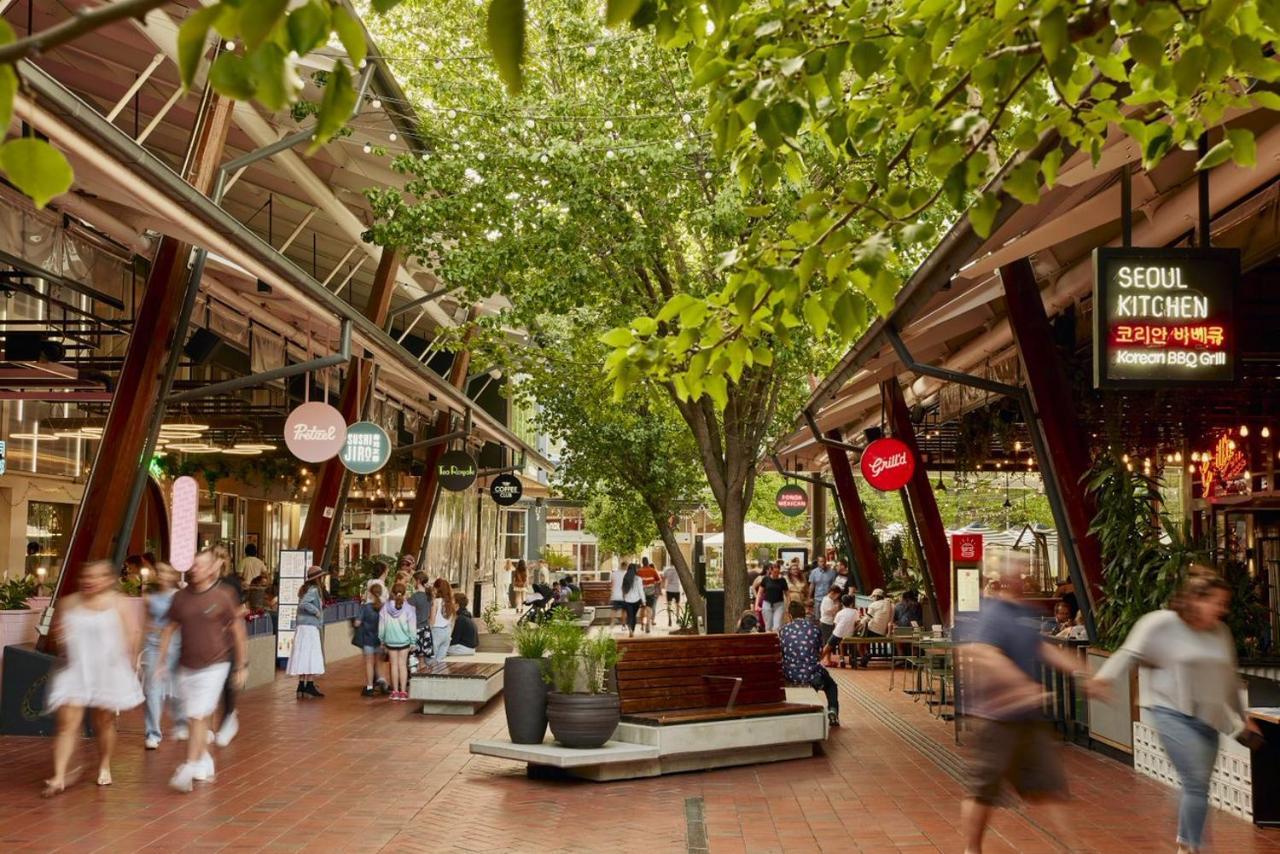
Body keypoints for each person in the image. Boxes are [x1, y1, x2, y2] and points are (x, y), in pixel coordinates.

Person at [1090, 567, 1258, 854]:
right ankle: (1196, 848)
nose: (1221, 610)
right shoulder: (1160, 623)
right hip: (1170, 711)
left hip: (1210, 718)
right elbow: (1129, 652)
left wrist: (1244, 718)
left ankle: (1184, 842)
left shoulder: (1220, 632)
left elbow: (1227, 678)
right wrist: (1103, 678)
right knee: (1194, 781)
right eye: (1215, 602)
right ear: (1194, 599)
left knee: (1199, 786)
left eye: (1223, 604)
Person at [959, 556, 1090, 853]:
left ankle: (1075, 848)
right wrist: (1023, 686)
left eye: (1025, 573)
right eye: (1019, 573)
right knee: (983, 791)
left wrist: (1081, 673)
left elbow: (1041, 647)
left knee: (1049, 788)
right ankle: (971, 849)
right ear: (1005, 579)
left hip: (1028, 717)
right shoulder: (992, 613)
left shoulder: (1023, 612)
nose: (1024, 577)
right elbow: (985, 654)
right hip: (995, 716)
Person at [42, 559, 143, 796]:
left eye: (96, 576)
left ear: (108, 580)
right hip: (77, 670)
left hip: (107, 670)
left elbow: (133, 632)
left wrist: (129, 659)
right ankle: (58, 776)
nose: (90, 581)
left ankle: (104, 763)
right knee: (67, 725)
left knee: (103, 721)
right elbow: (60, 640)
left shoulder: (119, 603)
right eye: (86, 576)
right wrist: (60, 638)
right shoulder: (68, 603)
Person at [159, 548, 247, 793]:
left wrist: (241, 665)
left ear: (211, 568)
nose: (194, 568)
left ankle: (189, 765)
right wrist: (161, 660)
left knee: (198, 715)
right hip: (187, 665)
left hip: (216, 664)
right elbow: (169, 628)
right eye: (192, 564)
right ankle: (204, 760)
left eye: (200, 565)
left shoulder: (223, 595)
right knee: (194, 715)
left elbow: (237, 630)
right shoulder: (180, 598)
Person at [142, 562, 183, 749]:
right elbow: (147, 621)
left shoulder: (179, 596)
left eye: (166, 572)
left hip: (175, 645)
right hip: (153, 646)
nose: (163, 575)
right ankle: (153, 733)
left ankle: (182, 723)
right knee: (153, 689)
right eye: (160, 572)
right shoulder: (150, 597)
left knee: (178, 686)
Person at [779, 601, 840, 727]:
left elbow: (782, 654)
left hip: (790, 674)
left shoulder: (783, 630)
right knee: (831, 685)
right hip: (811, 675)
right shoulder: (815, 628)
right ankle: (833, 711)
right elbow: (819, 652)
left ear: (790, 615)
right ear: (804, 613)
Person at [212, 544, 245, 746]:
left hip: (228, 639)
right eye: (215, 556)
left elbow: (241, 609)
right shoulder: (203, 583)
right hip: (208, 639)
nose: (219, 560)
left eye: (222, 557)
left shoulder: (231, 583)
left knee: (227, 683)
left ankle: (229, 715)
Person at [287, 566, 327, 700]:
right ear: (317, 578)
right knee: (311, 654)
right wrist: (316, 611)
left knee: (302, 655)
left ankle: (301, 686)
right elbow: (304, 604)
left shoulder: (305, 589)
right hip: (310, 626)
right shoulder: (314, 590)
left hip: (302, 627)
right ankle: (309, 685)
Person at [379, 582, 416, 700]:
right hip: (404, 641)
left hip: (390, 641)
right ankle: (403, 692)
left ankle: (395, 692)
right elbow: (412, 627)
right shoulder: (409, 608)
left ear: (392, 593)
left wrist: (382, 639)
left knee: (393, 665)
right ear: (405, 594)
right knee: (402, 666)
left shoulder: (385, 607)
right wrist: (413, 641)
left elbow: (381, 626)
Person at [354, 582, 383, 696]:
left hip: (368, 639)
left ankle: (370, 687)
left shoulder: (365, 608)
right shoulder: (383, 607)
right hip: (380, 640)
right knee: (379, 663)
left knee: (369, 664)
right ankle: (383, 682)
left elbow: (357, 623)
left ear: (370, 594)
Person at [860, 588, 894, 667]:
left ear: (876, 596)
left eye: (873, 597)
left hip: (872, 631)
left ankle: (864, 656)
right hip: (883, 632)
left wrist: (860, 623)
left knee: (859, 640)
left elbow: (866, 619)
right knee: (864, 636)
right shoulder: (890, 605)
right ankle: (866, 654)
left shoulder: (873, 605)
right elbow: (890, 620)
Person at [824, 594, 859, 668]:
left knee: (827, 647)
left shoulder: (839, 613)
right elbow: (857, 623)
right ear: (852, 603)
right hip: (849, 634)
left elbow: (836, 625)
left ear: (842, 603)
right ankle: (849, 659)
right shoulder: (855, 612)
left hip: (837, 633)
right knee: (847, 642)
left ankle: (817, 660)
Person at [754, 563, 790, 632]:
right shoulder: (766, 579)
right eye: (775, 572)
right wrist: (756, 605)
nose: (776, 574)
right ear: (771, 570)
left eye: (778, 572)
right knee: (768, 627)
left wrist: (788, 606)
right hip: (767, 604)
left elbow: (787, 595)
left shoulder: (782, 581)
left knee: (777, 626)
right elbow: (759, 593)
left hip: (779, 605)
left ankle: (776, 640)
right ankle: (769, 641)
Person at [408, 572, 434, 668]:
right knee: (422, 659)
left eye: (413, 580)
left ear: (418, 581)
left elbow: (409, 615)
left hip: (416, 629)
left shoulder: (414, 597)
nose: (412, 583)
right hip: (426, 629)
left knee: (414, 659)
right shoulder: (429, 596)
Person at [429, 577, 456, 663]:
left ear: (437, 588)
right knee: (441, 661)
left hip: (436, 631)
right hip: (447, 632)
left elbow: (432, 620)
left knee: (431, 660)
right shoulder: (451, 602)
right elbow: (452, 621)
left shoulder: (436, 602)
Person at [448, 592, 479, 656]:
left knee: (440, 649)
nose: (450, 604)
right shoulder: (468, 616)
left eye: (452, 602)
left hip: (462, 649)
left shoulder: (460, 619)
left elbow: (454, 640)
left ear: (457, 604)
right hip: (471, 649)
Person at [637, 557, 662, 633]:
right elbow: (659, 580)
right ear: (648, 562)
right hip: (651, 592)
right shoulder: (653, 570)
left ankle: (642, 624)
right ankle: (648, 623)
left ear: (642, 563)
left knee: (642, 608)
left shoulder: (639, 571)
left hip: (641, 592)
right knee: (649, 609)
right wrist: (654, 584)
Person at [619, 563, 644, 637]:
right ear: (634, 570)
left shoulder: (625, 577)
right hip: (637, 601)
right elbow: (641, 591)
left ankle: (630, 629)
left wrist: (624, 597)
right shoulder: (638, 579)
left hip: (627, 600)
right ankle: (632, 630)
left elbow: (623, 589)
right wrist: (644, 600)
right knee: (634, 616)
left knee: (630, 616)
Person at [609, 563, 629, 631]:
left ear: (620, 566)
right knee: (624, 611)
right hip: (624, 596)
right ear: (625, 566)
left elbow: (612, 585)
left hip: (615, 596)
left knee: (614, 610)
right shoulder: (627, 574)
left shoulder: (614, 574)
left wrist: (611, 595)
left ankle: (612, 623)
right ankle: (623, 626)